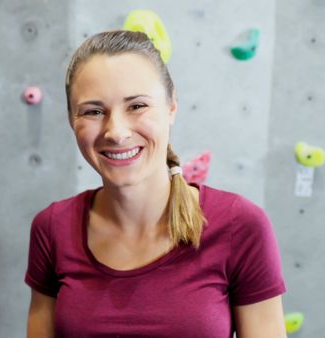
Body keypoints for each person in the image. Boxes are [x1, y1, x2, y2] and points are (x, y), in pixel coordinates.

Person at [25, 30, 287, 338]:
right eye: (94, 111)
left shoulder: (240, 226)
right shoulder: (52, 228)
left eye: (136, 106)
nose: (116, 132)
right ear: (72, 119)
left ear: (171, 107)